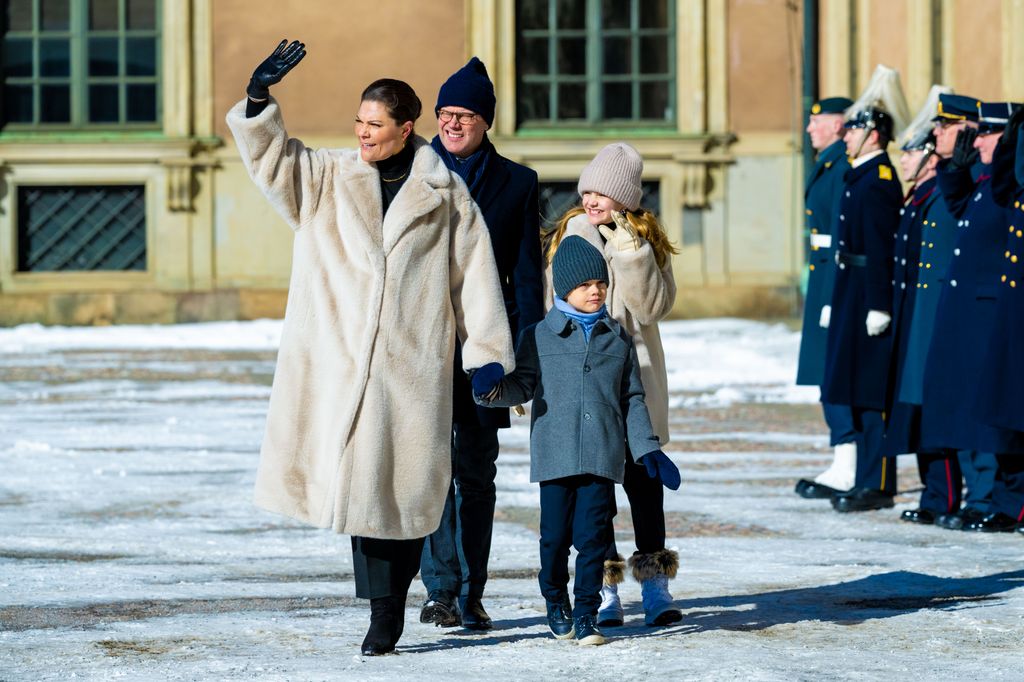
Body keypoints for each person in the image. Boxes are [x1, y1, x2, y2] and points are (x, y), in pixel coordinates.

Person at [226, 40, 514, 656]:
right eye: (358, 122)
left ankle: (393, 606)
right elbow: (271, 161)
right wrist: (258, 100)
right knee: (362, 495)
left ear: (405, 128)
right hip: (339, 368)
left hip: (412, 369)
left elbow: (476, 277)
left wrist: (486, 352)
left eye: (374, 125)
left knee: (405, 494)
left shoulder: (444, 195)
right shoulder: (327, 177)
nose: (362, 133)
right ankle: (383, 614)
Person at [472, 235, 679, 646]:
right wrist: (491, 389)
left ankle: (587, 614)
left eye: (600, 283)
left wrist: (646, 447)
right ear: (564, 288)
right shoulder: (539, 336)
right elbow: (523, 385)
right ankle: (556, 601)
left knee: (593, 540)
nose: (596, 290)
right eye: (585, 285)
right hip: (555, 456)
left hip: (602, 456)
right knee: (554, 539)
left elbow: (632, 398)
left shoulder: (616, 338)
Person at [418, 57, 545, 631]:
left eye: (463, 114)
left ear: (485, 121)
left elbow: (525, 275)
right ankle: (439, 590)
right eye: (444, 113)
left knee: (475, 473)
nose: (452, 123)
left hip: (485, 350)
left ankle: (472, 594)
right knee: (429, 471)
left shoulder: (517, 183)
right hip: (420, 346)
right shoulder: (412, 168)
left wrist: (522, 357)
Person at [544, 143, 682, 627]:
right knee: (594, 495)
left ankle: (656, 588)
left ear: (625, 197)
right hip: (590, 387)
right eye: (587, 189)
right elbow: (553, 312)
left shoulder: (643, 241)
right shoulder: (572, 235)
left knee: (646, 491)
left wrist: (630, 252)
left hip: (638, 382)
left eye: (603, 191)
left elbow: (650, 308)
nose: (591, 199)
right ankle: (605, 590)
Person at [920, 100, 1024, 532]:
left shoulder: (1005, 183)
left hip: (992, 311)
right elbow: (964, 207)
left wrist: (1001, 160)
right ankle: (992, 498)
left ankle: (1001, 499)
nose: (975, 140)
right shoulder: (986, 183)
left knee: (996, 415)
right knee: (976, 409)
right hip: (974, 313)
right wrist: (955, 172)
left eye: (985, 133)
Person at [880, 97, 960, 525]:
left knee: (935, 405)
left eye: (911, 151)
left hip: (933, 316)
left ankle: (948, 495)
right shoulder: (919, 197)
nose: (904, 159)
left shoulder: (942, 194)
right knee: (918, 404)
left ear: (930, 156)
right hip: (915, 313)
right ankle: (936, 493)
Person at [821, 105, 904, 513]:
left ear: (873, 134)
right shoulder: (861, 175)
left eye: (853, 129)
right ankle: (864, 478)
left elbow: (880, 249)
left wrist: (879, 304)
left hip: (868, 293)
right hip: (851, 292)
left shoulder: (879, 180)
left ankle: (878, 481)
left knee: (872, 393)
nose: (847, 135)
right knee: (855, 389)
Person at [794, 97, 858, 500]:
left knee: (835, 370)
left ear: (838, 125)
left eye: (817, 121)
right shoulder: (831, 163)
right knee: (825, 368)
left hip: (833, 276)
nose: (809, 129)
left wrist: (836, 291)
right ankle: (843, 456)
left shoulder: (842, 166)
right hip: (822, 275)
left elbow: (845, 233)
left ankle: (849, 460)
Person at [974, 104, 1024, 534]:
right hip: (1011, 312)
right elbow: (1004, 186)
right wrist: (1011, 139)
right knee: (1008, 414)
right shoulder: (1018, 193)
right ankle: (1010, 503)